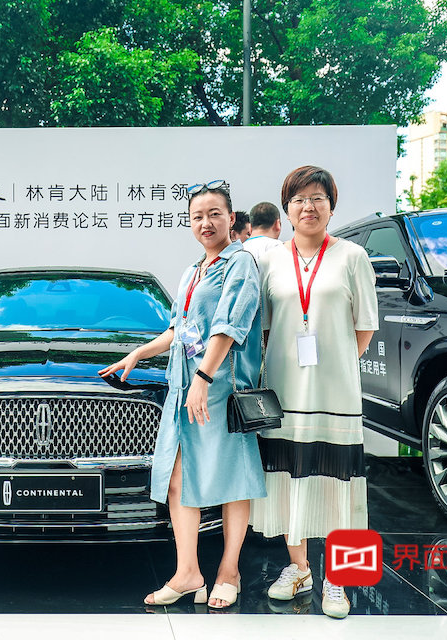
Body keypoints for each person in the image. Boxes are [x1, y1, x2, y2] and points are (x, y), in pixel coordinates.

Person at [99, 182, 265, 609]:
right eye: (197, 216)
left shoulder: (240, 264)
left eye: (214, 214)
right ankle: (188, 573)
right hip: (184, 389)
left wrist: (203, 379)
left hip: (220, 390)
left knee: (232, 480)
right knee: (177, 479)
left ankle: (229, 572)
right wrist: (138, 353)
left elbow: (229, 327)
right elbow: (179, 329)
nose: (206, 223)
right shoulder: (193, 270)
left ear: (232, 218)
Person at [248, 166, 378, 619]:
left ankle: (337, 579)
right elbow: (265, 330)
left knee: (338, 482)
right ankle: (299, 568)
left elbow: (364, 328)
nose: (309, 207)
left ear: (331, 206)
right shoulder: (270, 262)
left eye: (318, 198)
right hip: (285, 392)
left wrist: (334, 365)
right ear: (286, 209)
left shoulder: (352, 256)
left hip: (335, 392)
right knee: (290, 480)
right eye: (299, 199)